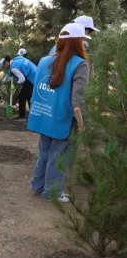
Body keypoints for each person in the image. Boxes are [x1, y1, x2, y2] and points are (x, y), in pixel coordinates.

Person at [28, 23, 91, 203]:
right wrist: (84, 123)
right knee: (59, 156)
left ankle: (37, 186)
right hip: (62, 118)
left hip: (44, 114)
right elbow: (78, 100)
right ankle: (52, 192)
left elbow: (39, 87)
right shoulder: (80, 64)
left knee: (45, 152)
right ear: (78, 41)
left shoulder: (44, 60)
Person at [9, 48, 37, 119]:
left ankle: (22, 116)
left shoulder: (16, 61)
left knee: (22, 96)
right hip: (36, 76)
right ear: (25, 55)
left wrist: (16, 84)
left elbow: (22, 79)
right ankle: (33, 115)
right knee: (29, 96)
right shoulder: (25, 60)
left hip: (31, 78)